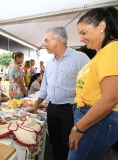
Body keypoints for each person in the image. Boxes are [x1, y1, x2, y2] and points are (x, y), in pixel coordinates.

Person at [67, 7, 118, 160]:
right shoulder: (102, 53)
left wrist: (79, 127)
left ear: (101, 27)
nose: (81, 39)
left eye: (84, 33)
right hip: (92, 117)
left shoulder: (112, 50)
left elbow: (110, 98)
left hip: (97, 119)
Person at [33, 26, 90, 160]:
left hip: (70, 110)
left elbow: (92, 84)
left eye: (46, 41)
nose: (44, 44)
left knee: (68, 144)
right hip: (52, 109)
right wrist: (36, 105)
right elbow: (44, 89)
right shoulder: (50, 63)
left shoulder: (80, 58)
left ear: (57, 40)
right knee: (55, 143)